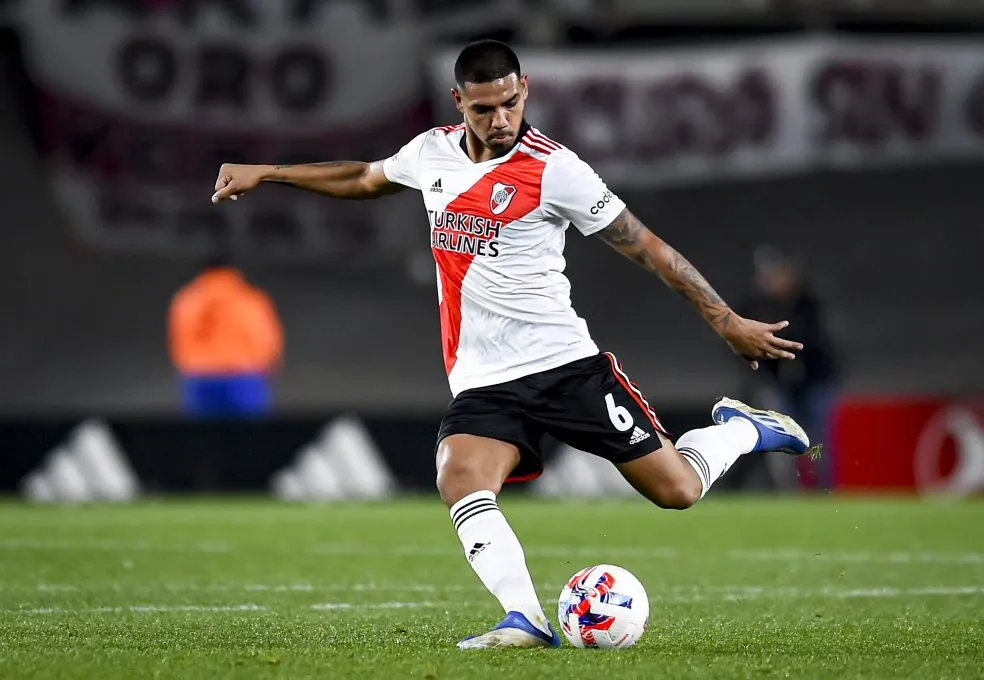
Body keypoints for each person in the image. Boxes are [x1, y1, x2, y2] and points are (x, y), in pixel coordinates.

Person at [211, 40, 817, 649]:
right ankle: (525, 618)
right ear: (459, 103)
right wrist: (269, 173)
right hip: (482, 380)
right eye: (484, 109)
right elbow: (364, 178)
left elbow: (649, 249)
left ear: (524, 88)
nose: (500, 119)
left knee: (677, 491)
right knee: (460, 474)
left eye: (509, 102)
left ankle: (741, 428)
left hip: (566, 368)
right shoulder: (430, 153)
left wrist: (725, 319)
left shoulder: (557, 169)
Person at [736, 245, 840, 489]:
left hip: (815, 381)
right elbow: (740, 342)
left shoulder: (808, 302)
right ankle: (789, 491)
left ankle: (826, 489)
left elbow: (816, 342)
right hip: (780, 384)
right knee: (781, 437)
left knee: (820, 436)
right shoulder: (755, 306)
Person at [168, 254, 284, 419]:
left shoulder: (186, 299)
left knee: (203, 438)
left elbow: (179, 339)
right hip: (244, 376)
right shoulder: (249, 298)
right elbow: (264, 336)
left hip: (199, 376)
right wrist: (271, 365)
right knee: (250, 438)